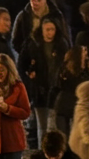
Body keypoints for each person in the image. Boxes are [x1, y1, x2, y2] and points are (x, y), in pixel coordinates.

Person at [19, 17, 70, 147]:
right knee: (42, 124)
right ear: (41, 30)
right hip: (39, 89)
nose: (49, 33)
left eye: (52, 29)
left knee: (53, 124)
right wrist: (29, 75)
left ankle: (55, 149)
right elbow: (21, 64)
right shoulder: (33, 44)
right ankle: (43, 150)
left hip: (56, 88)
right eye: (47, 29)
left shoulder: (61, 44)